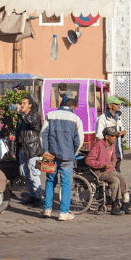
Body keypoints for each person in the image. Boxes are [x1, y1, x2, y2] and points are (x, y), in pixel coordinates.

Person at [42, 91, 84, 221]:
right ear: (74, 107)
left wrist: (45, 150)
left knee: (49, 181)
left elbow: (43, 134)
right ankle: (63, 213)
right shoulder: (76, 119)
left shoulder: (50, 115)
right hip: (67, 156)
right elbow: (79, 140)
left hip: (50, 155)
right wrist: (73, 152)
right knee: (65, 184)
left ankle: (47, 210)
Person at [85, 129, 130, 214]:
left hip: (110, 170)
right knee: (115, 180)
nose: (114, 138)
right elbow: (89, 160)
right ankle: (114, 207)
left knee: (123, 180)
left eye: (115, 136)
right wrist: (102, 165)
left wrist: (113, 162)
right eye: (112, 136)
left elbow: (114, 157)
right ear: (106, 137)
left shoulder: (112, 145)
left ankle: (125, 205)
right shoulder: (98, 145)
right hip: (99, 172)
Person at [14, 95, 44, 205]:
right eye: (21, 103)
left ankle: (38, 197)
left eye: (24, 103)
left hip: (33, 149)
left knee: (33, 174)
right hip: (23, 149)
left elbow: (30, 122)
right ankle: (31, 196)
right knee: (25, 175)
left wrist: (20, 113)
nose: (22, 105)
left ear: (30, 105)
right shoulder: (22, 118)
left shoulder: (34, 115)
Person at [95, 96, 126, 160]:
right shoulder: (102, 118)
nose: (118, 105)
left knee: (117, 169)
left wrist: (123, 132)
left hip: (118, 151)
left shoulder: (118, 116)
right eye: (116, 104)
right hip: (109, 153)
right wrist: (113, 134)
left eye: (119, 104)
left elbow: (121, 128)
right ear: (110, 106)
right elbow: (99, 135)